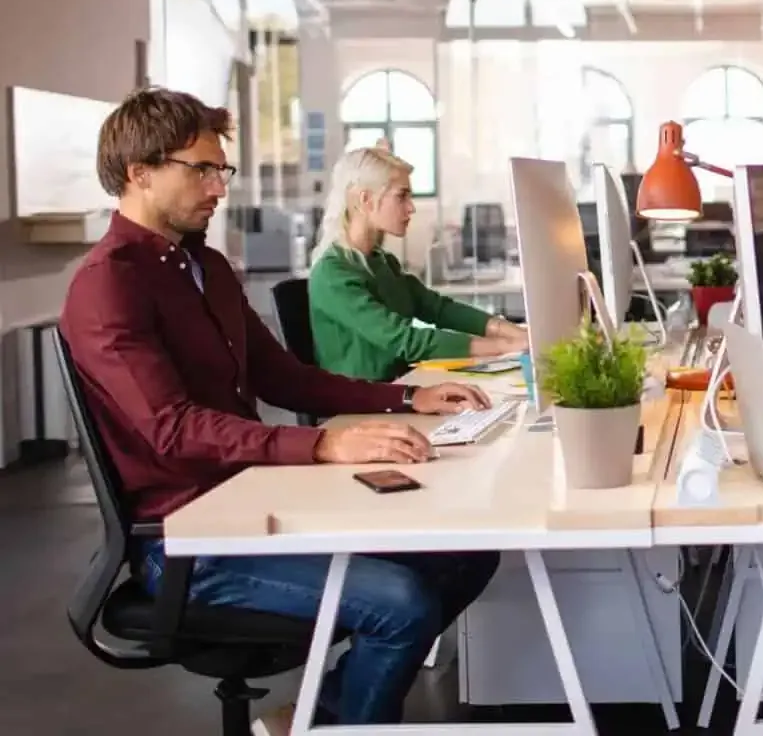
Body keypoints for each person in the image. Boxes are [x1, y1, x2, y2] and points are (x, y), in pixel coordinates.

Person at [59, 87, 502, 726]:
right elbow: (172, 429)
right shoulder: (108, 283)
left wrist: (407, 397)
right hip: (189, 540)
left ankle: (318, 716)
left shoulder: (203, 265)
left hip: (251, 503)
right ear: (140, 172)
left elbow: (285, 378)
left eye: (222, 169)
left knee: (467, 555)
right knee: (399, 605)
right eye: (201, 169)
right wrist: (323, 444)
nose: (219, 187)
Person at [308, 146, 528, 382]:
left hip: (400, 390)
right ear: (366, 200)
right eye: (402, 196)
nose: (411, 207)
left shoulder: (382, 262)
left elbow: (438, 308)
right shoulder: (333, 273)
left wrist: (516, 334)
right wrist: (505, 346)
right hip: (361, 407)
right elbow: (406, 340)